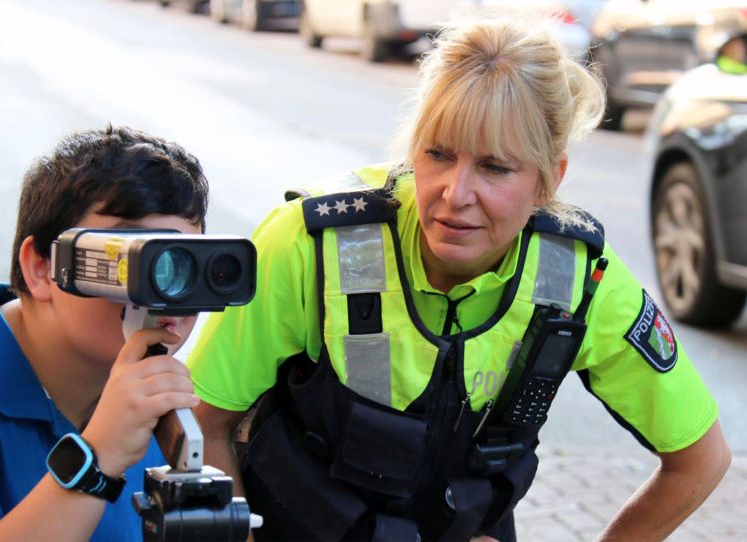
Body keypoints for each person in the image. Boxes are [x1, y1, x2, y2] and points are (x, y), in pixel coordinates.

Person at [188, 15, 732, 542]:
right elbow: (199, 423)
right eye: (439, 154)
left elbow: (700, 460)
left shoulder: (582, 278)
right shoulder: (313, 244)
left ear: (549, 179)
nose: (455, 194)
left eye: (495, 167)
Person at [0, 125, 208, 540]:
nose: (166, 294)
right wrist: (97, 459)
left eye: (185, 262)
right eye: (134, 260)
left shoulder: (167, 401)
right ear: (43, 267)